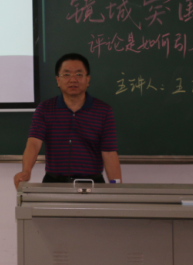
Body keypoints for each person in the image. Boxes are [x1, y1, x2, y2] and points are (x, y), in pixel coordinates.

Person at [14, 53, 121, 188]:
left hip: (92, 184)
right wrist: (26, 171)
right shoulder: (45, 108)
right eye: (66, 74)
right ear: (58, 80)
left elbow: (109, 153)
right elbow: (34, 144)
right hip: (54, 183)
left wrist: (117, 188)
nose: (73, 79)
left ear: (88, 79)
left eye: (79, 74)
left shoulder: (103, 110)